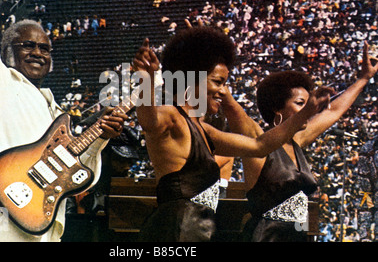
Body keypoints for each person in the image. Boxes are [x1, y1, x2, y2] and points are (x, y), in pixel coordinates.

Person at [0, 0, 126, 242]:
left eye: (45, 48)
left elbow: (79, 174)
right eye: (28, 45)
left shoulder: (54, 111)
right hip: (6, 210)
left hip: (48, 218)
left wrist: (101, 138)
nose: (38, 52)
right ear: (5, 51)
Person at [132, 26, 332, 242]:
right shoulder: (171, 117)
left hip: (200, 233)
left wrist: (307, 112)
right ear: (193, 80)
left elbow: (260, 146)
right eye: (218, 82)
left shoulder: (205, 131)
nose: (223, 91)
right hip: (175, 233)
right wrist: (146, 79)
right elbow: (149, 120)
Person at [232, 43, 378, 242]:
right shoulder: (256, 140)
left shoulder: (297, 141)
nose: (310, 109)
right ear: (277, 108)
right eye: (301, 104)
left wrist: (364, 78)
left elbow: (333, 111)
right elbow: (231, 106)